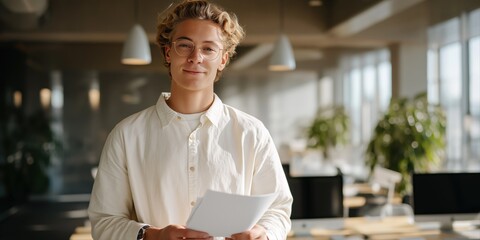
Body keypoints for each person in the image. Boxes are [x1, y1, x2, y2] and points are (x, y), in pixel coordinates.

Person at [87, 0, 293, 239]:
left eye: (208, 49)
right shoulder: (127, 135)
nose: (196, 57)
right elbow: (104, 222)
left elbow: (278, 208)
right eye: (184, 45)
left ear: (223, 59)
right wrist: (154, 235)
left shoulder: (252, 132)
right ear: (168, 52)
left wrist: (263, 233)